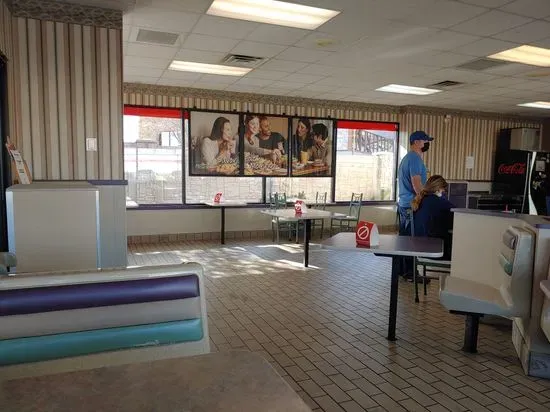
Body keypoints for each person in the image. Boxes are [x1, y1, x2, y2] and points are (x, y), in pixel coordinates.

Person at [397, 130, 433, 280]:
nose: (427, 144)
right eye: (425, 141)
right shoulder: (415, 159)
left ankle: (402, 270)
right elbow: (417, 184)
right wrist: (426, 200)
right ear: (417, 142)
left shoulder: (407, 158)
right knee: (412, 240)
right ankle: (411, 272)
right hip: (412, 205)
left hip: (404, 204)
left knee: (404, 239)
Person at [411, 175, 454, 260]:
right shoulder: (440, 202)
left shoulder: (420, 200)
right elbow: (458, 216)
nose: (444, 192)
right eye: (443, 190)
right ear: (439, 189)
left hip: (419, 249)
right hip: (436, 251)